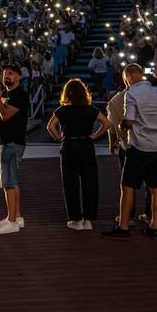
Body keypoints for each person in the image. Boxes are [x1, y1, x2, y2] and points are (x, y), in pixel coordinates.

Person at [102, 64, 157, 240]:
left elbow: (129, 120)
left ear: (130, 76)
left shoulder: (131, 94)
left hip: (138, 146)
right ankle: (154, 225)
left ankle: (123, 226)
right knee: (155, 187)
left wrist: (120, 128)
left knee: (128, 186)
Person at [47, 78, 110, 230]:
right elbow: (107, 123)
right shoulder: (91, 109)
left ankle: (76, 218)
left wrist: (58, 137)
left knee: (71, 183)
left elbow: (51, 126)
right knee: (90, 183)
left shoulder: (62, 110)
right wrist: (95, 136)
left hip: (69, 145)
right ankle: (89, 218)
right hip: (87, 145)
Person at [0, 65, 29, 235]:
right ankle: (16, 216)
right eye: (5, 74)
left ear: (19, 77)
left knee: (8, 183)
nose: (6, 77)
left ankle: (11, 222)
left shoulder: (20, 96)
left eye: (11, 74)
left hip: (11, 143)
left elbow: (5, 116)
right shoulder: (7, 95)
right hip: (3, 142)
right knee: (12, 182)